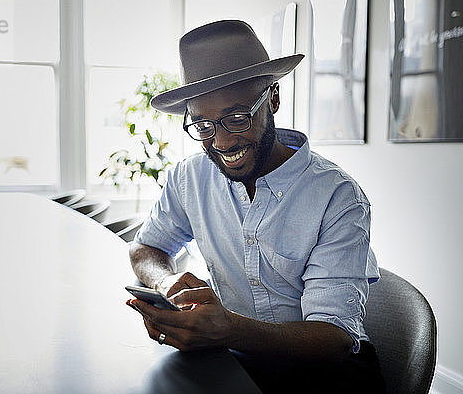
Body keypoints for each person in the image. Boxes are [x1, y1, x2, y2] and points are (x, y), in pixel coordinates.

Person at [126, 20, 385, 393]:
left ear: (274, 99)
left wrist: (228, 328)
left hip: (327, 377)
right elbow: (145, 247)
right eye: (204, 126)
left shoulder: (337, 196)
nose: (224, 141)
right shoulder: (190, 177)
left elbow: (335, 339)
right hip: (235, 362)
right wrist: (168, 284)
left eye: (237, 118)